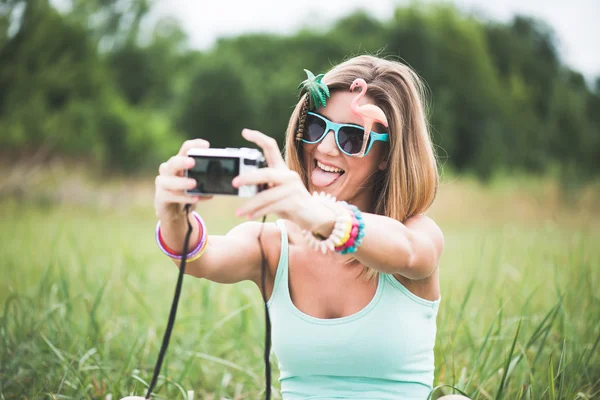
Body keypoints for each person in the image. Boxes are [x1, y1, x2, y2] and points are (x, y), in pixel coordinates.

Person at [153, 55, 468, 400]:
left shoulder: (418, 235)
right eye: (316, 127)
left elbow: (407, 253)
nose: (325, 147)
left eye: (351, 137)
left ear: (387, 157)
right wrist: (173, 214)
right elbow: (200, 258)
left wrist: (320, 215)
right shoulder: (274, 245)